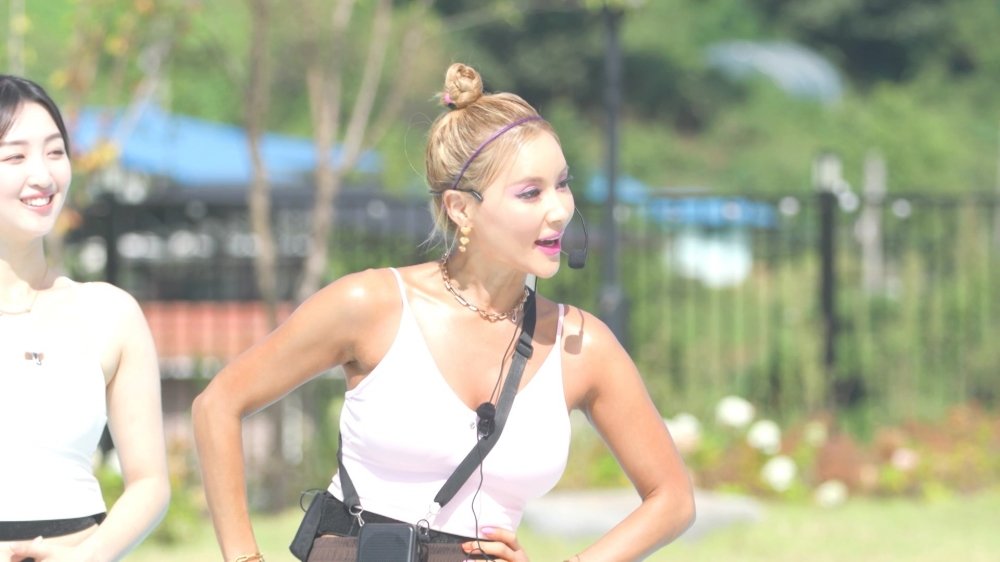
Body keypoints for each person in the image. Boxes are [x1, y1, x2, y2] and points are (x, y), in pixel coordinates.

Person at [193, 62, 694, 562]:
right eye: (530, 192)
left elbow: (672, 499)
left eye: (562, 184)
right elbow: (217, 405)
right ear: (460, 208)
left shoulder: (581, 344)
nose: (560, 209)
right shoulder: (372, 305)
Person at [0, 75, 170, 562]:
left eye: (55, 152)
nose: (43, 175)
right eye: (15, 157)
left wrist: (85, 557)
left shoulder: (109, 313)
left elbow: (150, 482)